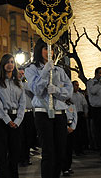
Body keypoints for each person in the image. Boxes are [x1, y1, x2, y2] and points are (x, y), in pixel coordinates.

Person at [26, 39, 73, 178]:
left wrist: (57, 90)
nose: (49, 52)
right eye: (46, 49)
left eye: (51, 49)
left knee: (60, 151)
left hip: (60, 113)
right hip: (43, 112)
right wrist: (45, 71)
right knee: (48, 152)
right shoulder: (32, 69)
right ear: (39, 50)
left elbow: (68, 90)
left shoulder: (59, 69)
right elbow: (37, 89)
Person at [0, 54, 26, 178]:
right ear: (3, 64)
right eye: (7, 62)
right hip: (1, 119)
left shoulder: (18, 82)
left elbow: (22, 102)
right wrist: (7, 119)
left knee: (15, 151)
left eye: (12, 62)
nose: (10, 64)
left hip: (16, 120)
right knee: (1, 152)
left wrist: (19, 119)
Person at [18, 67, 36, 167]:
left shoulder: (27, 84)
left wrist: (26, 81)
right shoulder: (16, 84)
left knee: (28, 137)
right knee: (21, 137)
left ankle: (27, 157)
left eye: (23, 73)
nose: (22, 75)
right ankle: (21, 158)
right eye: (20, 73)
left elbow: (32, 91)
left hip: (29, 113)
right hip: (20, 113)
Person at [70, 80, 88, 156]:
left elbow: (85, 104)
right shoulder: (69, 95)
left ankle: (81, 149)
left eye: (78, 85)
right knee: (75, 133)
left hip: (80, 114)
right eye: (75, 85)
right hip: (73, 115)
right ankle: (75, 149)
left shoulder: (80, 95)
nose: (77, 87)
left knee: (81, 132)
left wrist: (85, 112)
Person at [62, 99, 78, 177]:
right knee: (63, 149)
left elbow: (75, 116)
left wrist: (72, 127)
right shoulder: (60, 104)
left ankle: (69, 166)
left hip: (71, 127)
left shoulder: (72, 104)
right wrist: (66, 127)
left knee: (69, 149)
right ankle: (64, 168)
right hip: (62, 127)